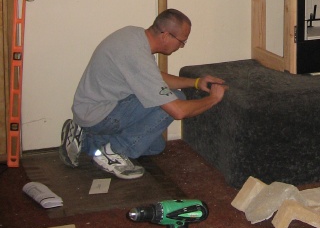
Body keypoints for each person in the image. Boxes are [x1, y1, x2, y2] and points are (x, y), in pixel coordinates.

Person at [59, 9, 227, 180]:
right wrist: (213, 98)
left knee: (155, 146)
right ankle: (113, 152)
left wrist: (196, 82)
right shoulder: (136, 55)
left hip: (97, 109)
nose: (182, 46)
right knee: (177, 99)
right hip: (99, 115)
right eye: (182, 41)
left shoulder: (135, 36)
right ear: (166, 36)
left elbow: (154, 78)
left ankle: (84, 139)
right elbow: (178, 111)